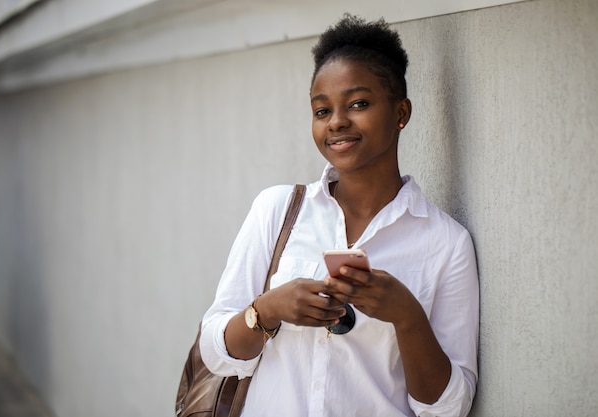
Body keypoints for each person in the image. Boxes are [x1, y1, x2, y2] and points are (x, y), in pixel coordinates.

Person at [200, 14, 479, 417]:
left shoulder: (445, 243)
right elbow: (215, 352)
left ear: (401, 113)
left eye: (358, 104)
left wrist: (406, 315)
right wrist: (268, 310)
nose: (336, 122)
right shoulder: (277, 210)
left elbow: (449, 409)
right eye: (321, 110)